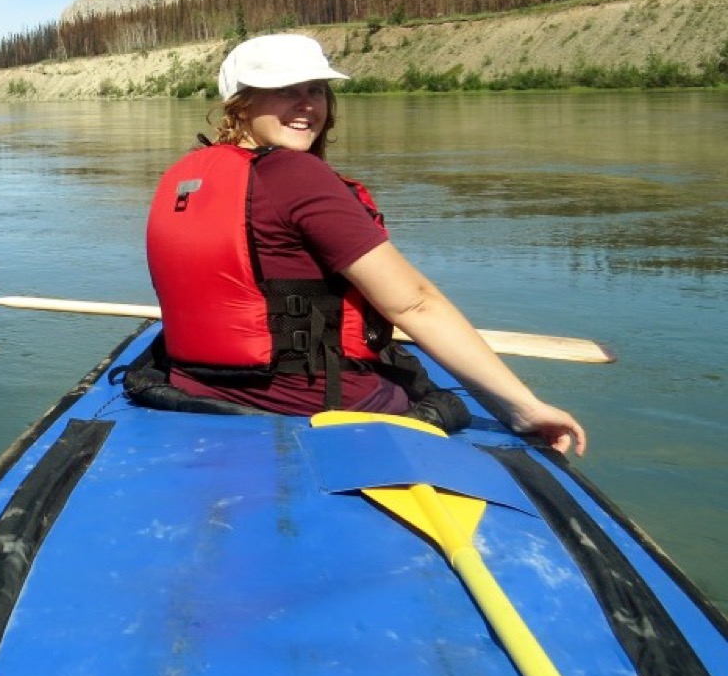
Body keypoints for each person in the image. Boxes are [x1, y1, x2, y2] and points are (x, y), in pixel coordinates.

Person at [145, 33, 587, 455]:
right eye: (285, 90)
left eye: (316, 90)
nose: (306, 105)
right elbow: (414, 305)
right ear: (240, 104)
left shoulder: (186, 176)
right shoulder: (297, 175)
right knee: (445, 404)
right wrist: (523, 408)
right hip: (314, 402)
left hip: (194, 387)